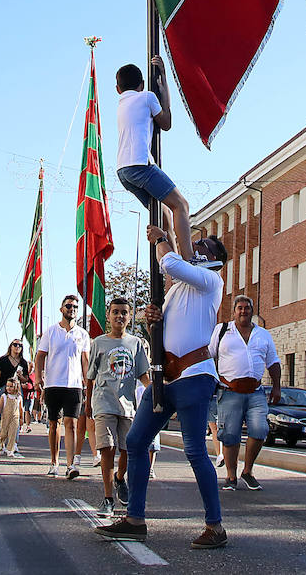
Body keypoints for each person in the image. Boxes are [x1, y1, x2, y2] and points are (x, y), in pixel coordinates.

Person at [96, 225, 228, 550]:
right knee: (138, 440)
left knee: (196, 450)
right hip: (166, 378)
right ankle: (135, 519)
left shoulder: (211, 281)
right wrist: (154, 318)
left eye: (200, 246)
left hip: (194, 376)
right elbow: (168, 325)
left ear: (212, 259)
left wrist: (162, 240)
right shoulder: (178, 290)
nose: (193, 247)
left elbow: (169, 263)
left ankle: (216, 526)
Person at [114, 58, 191, 257]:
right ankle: (190, 258)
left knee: (163, 214)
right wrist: (163, 79)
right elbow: (166, 122)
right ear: (142, 85)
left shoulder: (121, 103)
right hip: (140, 165)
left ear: (117, 89)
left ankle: (172, 267)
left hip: (123, 171)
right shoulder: (147, 97)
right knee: (181, 205)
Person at [87, 297, 151, 515]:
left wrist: (155, 395)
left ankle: (119, 477)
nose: (119, 316)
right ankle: (107, 498)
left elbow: (144, 375)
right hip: (104, 402)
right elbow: (91, 377)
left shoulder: (136, 344)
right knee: (108, 448)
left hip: (127, 406)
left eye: (124, 312)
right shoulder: (98, 343)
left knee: (127, 449)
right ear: (109, 315)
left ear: (129, 316)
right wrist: (88, 405)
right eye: (115, 312)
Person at [210, 294, 281, 492]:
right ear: (234, 311)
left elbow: (273, 362)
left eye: (247, 308)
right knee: (230, 435)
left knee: (259, 430)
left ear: (252, 311)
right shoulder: (222, 331)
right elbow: (209, 355)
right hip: (229, 391)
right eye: (239, 308)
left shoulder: (263, 334)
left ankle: (248, 472)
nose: (243, 311)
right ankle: (231, 476)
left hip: (256, 392)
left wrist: (276, 386)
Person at [34, 293, 92, 479]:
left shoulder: (82, 334)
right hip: (53, 384)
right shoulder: (50, 331)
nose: (72, 309)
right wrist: (38, 378)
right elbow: (40, 355)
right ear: (62, 309)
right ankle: (54, 461)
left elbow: (85, 360)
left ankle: (70, 464)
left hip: (74, 386)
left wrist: (87, 381)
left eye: (75, 307)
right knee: (53, 424)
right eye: (68, 306)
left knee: (72, 423)